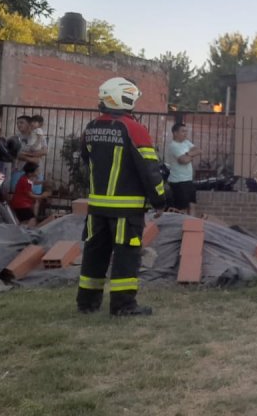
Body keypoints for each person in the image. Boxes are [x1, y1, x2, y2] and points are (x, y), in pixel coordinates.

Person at [77, 77, 166, 317]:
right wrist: (160, 198)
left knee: (95, 253)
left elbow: (86, 161)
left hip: (97, 207)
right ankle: (123, 306)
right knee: (126, 255)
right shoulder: (134, 129)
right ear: (125, 99)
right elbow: (149, 168)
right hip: (127, 210)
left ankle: (87, 303)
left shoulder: (92, 127)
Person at [165, 122, 200, 212]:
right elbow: (183, 161)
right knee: (182, 208)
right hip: (178, 181)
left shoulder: (186, 142)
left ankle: (192, 225)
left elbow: (198, 150)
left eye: (186, 131)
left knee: (192, 205)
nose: (185, 134)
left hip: (188, 179)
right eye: (183, 131)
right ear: (175, 133)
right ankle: (182, 225)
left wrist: (188, 154)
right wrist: (191, 155)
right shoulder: (173, 146)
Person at [9, 161, 42, 227]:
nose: (38, 172)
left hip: (22, 204)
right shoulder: (25, 181)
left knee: (28, 221)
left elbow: (33, 182)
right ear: (30, 173)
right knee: (30, 221)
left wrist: (43, 182)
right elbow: (30, 194)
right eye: (36, 171)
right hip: (21, 205)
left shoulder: (26, 178)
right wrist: (42, 196)